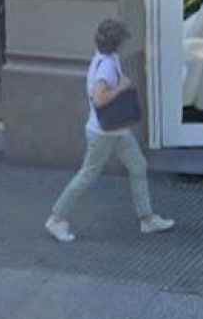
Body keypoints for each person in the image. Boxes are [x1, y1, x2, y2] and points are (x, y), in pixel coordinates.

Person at [44, 19, 174, 242]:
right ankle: (56, 219)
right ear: (118, 42)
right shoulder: (105, 66)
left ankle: (147, 219)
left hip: (116, 130)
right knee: (88, 174)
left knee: (137, 165)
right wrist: (122, 87)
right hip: (104, 133)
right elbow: (99, 98)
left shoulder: (105, 58)